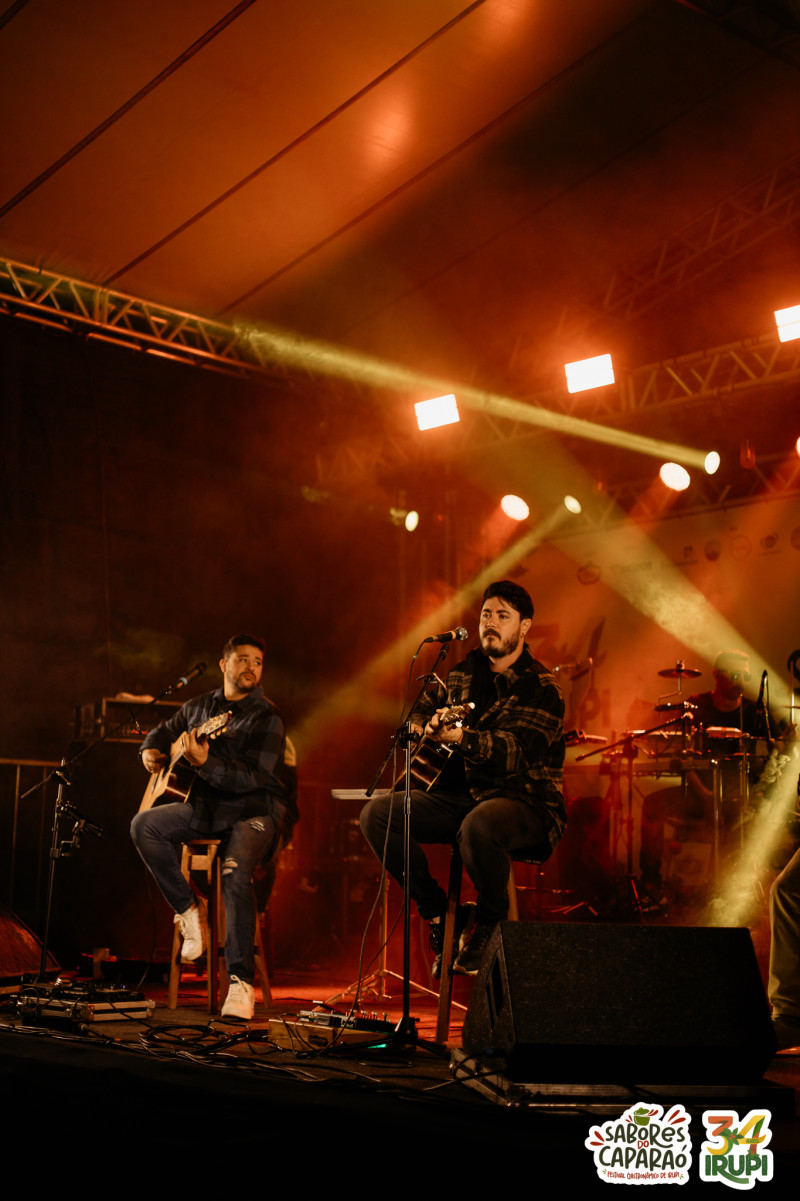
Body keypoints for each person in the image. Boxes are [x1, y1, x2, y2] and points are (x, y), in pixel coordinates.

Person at [360, 580, 566, 977]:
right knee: (377, 816)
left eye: (503, 616)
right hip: (460, 798)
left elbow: (515, 753)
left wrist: (462, 738)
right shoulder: (460, 673)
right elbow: (419, 712)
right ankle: (439, 914)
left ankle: (490, 923)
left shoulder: (542, 687)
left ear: (524, 627)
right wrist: (423, 727)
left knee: (479, 823)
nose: (491, 622)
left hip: (524, 801)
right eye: (486, 614)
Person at [131, 634, 294, 1020]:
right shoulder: (198, 706)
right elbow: (162, 731)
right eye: (243, 659)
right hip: (206, 808)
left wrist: (205, 762)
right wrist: (149, 750)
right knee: (144, 826)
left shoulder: (267, 716)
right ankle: (189, 908)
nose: (251, 667)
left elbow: (253, 778)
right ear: (224, 664)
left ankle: (240, 982)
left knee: (234, 874)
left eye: (257, 662)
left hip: (254, 811)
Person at [640, 649, 759, 902]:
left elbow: (773, 753)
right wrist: (705, 796)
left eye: (745, 675)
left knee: (748, 821)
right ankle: (650, 885)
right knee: (652, 806)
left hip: (737, 796)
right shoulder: (697, 706)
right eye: (734, 675)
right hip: (698, 792)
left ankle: (731, 894)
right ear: (717, 675)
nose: (740, 681)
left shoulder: (753, 711)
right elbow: (684, 757)